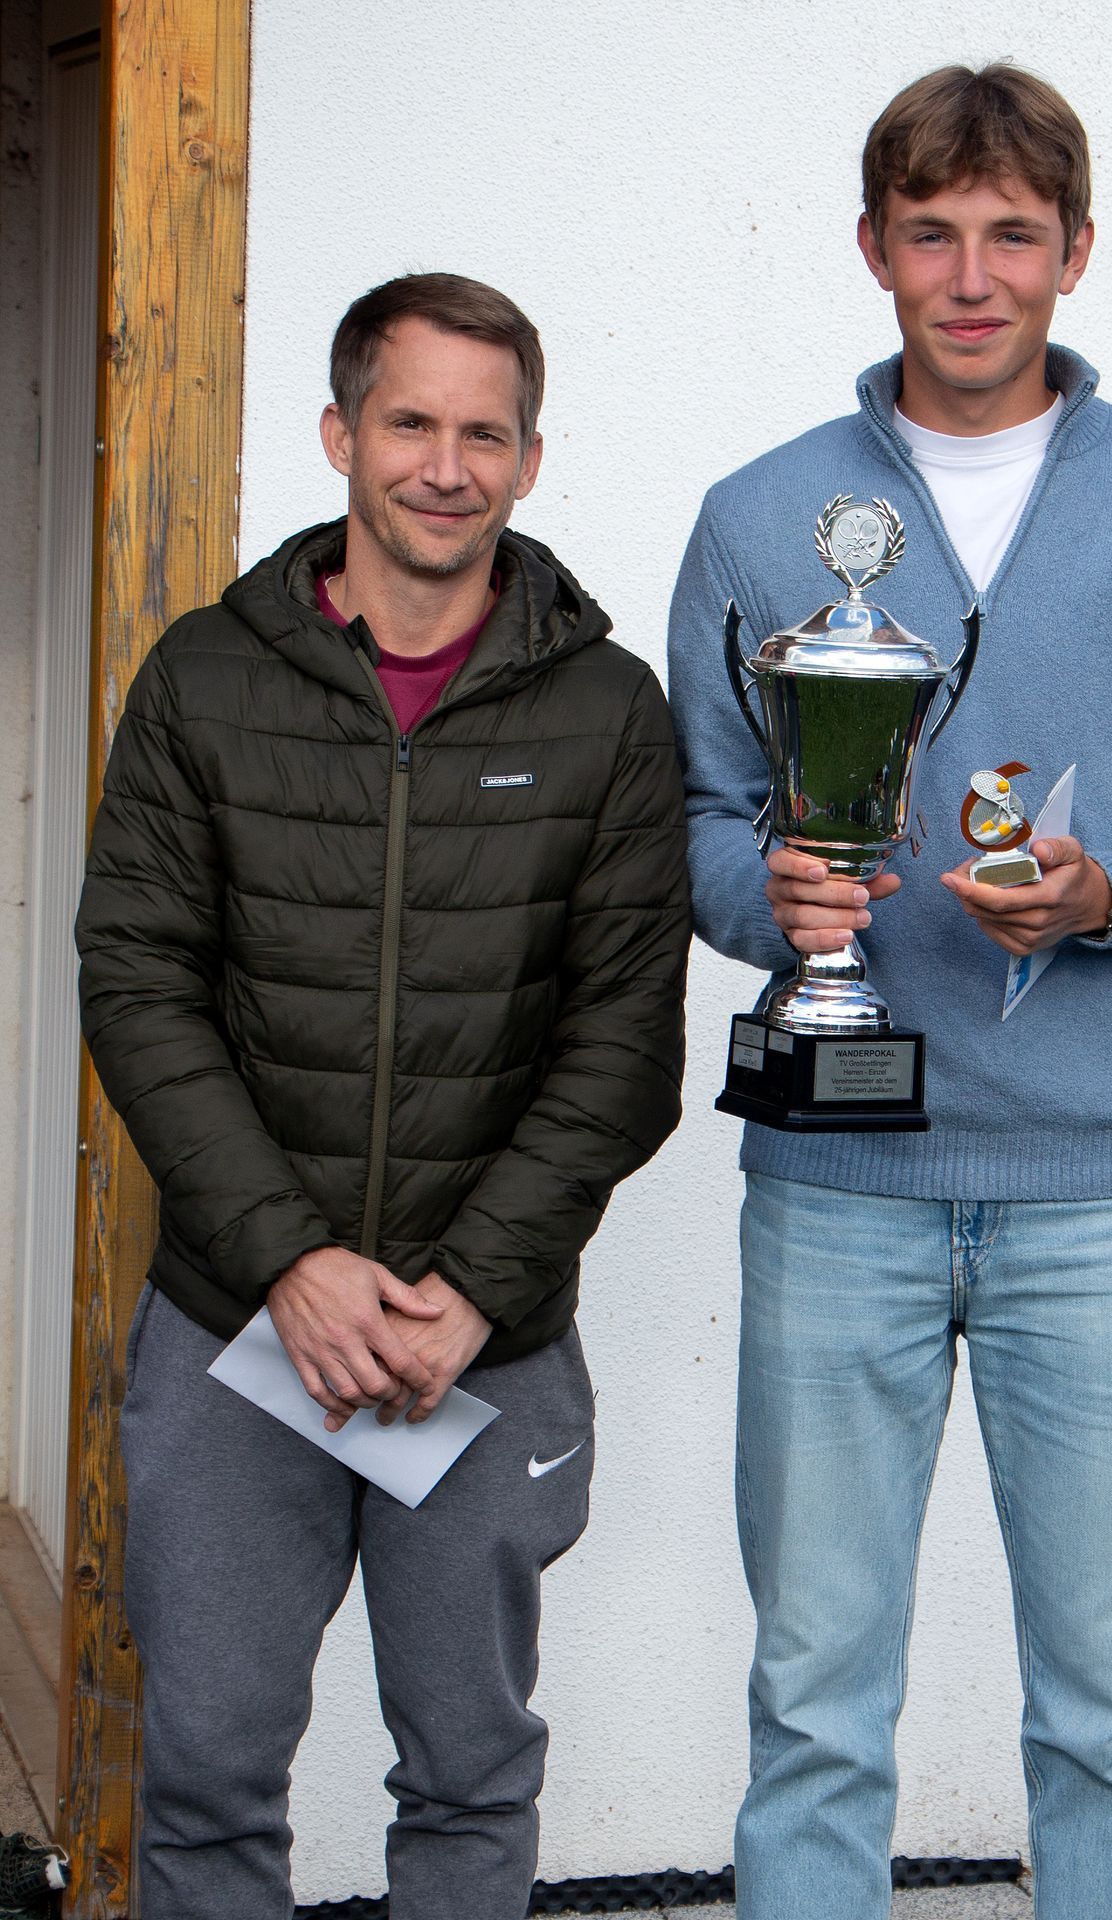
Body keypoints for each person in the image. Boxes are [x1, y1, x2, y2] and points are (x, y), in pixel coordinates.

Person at [668, 63, 1112, 1920]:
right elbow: (697, 816)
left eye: (1012, 231)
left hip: (1097, 1190)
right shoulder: (763, 510)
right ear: (873, 247)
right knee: (813, 1702)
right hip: (836, 1189)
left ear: (1076, 252)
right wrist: (769, 894)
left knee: (1111, 1715)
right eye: (930, 230)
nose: (970, 272)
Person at [75, 273, 691, 1920]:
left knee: (471, 1775)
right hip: (236, 1331)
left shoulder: (609, 713)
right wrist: (289, 1258)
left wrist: (470, 1289)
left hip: (479, 1346)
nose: (444, 464)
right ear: (340, 433)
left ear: (532, 460)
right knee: (204, 1772)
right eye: (410, 422)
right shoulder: (206, 680)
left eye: (484, 432)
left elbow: (626, 1046)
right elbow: (136, 984)